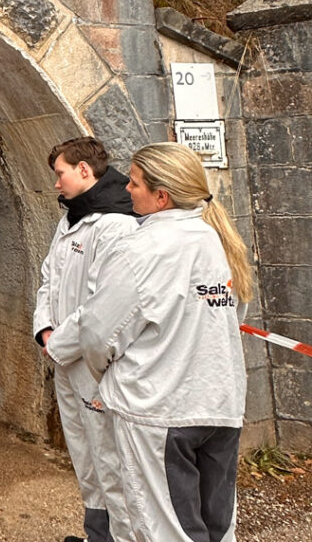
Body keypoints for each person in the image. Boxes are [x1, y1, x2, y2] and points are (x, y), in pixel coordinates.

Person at [77, 142, 253, 542]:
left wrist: (110, 376)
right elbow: (232, 317)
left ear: (162, 196)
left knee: (166, 530)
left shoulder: (142, 248)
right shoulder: (217, 240)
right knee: (217, 526)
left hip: (161, 411)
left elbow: (98, 333)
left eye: (135, 183)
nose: (126, 190)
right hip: (221, 407)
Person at [35, 137, 139, 542]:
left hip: (97, 365)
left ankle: (121, 536)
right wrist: (45, 328)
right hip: (64, 357)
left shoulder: (116, 224)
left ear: (83, 170)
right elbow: (49, 277)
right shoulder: (72, 218)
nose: (56, 183)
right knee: (83, 453)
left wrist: (58, 344)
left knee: (111, 458)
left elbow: (104, 306)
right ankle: (97, 532)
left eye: (60, 173)